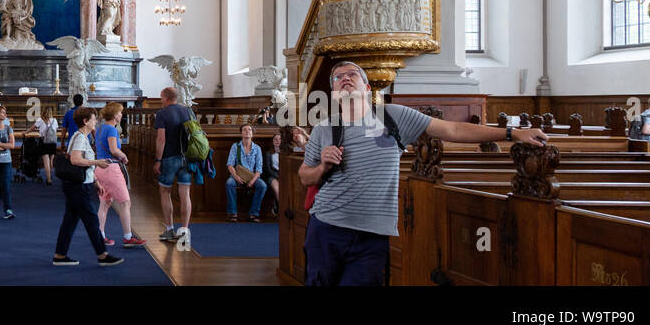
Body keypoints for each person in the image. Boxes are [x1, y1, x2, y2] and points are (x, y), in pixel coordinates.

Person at [300, 60, 548, 286]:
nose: (344, 78)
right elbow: (304, 176)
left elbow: (452, 129)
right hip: (326, 229)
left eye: (352, 74)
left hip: (372, 236)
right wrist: (322, 167)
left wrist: (511, 133)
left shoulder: (393, 118)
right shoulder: (324, 128)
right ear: (333, 93)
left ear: (366, 87)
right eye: (337, 77)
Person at [53, 105, 124, 266]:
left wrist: (96, 181)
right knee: (92, 220)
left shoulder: (82, 137)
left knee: (70, 221)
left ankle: (60, 255)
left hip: (78, 184)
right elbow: (75, 160)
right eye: (93, 119)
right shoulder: (79, 137)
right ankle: (102, 255)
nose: (95, 122)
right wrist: (97, 162)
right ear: (85, 121)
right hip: (77, 187)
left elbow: (83, 164)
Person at [95, 101, 143, 248]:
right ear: (115, 115)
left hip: (100, 167)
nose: (121, 114)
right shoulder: (111, 129)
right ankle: (128, 237)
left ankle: (100, 235)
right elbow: (114, 149)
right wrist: (124, 156)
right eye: (120, 112)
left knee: (105, 203)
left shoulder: (100, 128)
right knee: (125, 202)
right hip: (111, 168)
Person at [153, 86, 194, 243]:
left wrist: (158, 160)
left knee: (165, 192)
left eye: (161, 97)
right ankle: (184, 232)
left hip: (169, 157)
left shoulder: (162, 114)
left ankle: (169, 230)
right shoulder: (188, 111)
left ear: (167, 98)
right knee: (185, 194)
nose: (160, 100)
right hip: (186, 158)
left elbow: (161, 139)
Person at [225, 124, 267, 222]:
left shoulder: (257, 148)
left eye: (249, 130)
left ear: (252, 134)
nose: (247, 131)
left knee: (262, 186)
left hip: (252, 176)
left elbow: (259, 169)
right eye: (244, 129)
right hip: (237, 176)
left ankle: (254, 213)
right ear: (241, 133)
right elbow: (230, 165)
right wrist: (236, 177)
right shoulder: (235, 146)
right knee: (229, 183)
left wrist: (252, 181)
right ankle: (233, 213)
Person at [26, 104, 58, 185]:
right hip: (53, 142)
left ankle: (48, 179)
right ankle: (50, 177)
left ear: (43, 111)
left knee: (46, 161)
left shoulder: (40, 120)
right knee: (51, 160)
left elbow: (32, 128)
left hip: (44, 141)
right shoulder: (54, 120)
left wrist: (25, 132)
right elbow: (55, 131)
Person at [264, 130, 283, 212]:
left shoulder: (286, 153)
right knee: (277, 189)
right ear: (272, 142)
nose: (277, 141)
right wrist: (278, 177)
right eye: (275, 139)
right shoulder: (269, 153)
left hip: (284, 175)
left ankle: (277, 207)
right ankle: (281, 210)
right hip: (273, 176)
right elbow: (267, 169)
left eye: (279, 139)